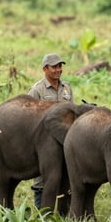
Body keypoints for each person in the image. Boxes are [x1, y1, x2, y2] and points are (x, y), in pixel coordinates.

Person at [27, 53, 74, 207]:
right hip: (44, 143)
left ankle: (63, 214)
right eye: (54, 67)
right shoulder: (37, 90)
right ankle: (41, 215)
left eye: (60, 66)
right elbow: (29, 119)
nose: (58, 70)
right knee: (43, 178)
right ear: (45, 69)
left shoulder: (66, 88)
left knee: (65, 176)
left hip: (64, 139)